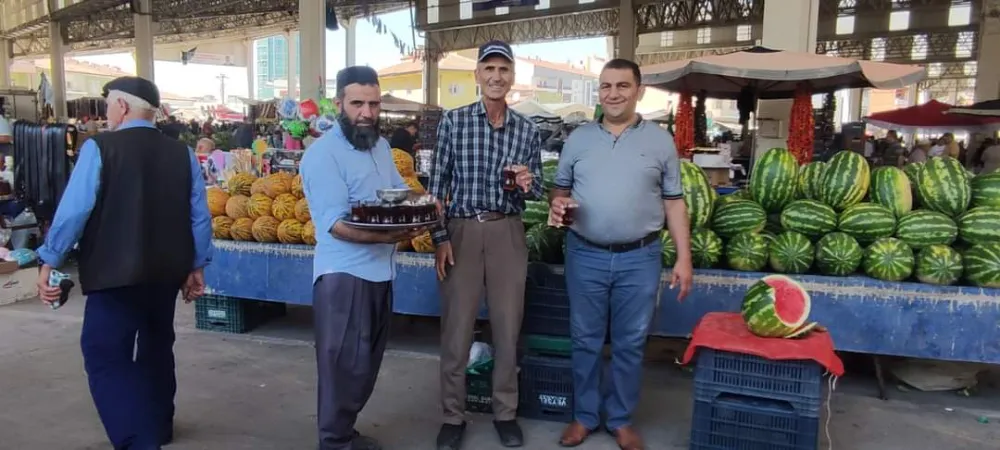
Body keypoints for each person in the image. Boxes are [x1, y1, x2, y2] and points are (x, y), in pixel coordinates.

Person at [35, 75, 212, 450]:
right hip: (166, 273)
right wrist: (197, 266)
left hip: (114, 275)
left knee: (105, 355)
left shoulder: (100, 148)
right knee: (156, 347)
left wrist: (49, 258)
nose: (106, 114)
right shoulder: (180, 153)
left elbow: (74, 211)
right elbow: (198, 214)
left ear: (123, 106)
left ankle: (137, 442)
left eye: (108, 106)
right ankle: (159, 426)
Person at [548, 59, 694, 450]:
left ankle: (621, 419)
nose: (613, 93)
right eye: (606, 86)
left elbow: (674, 203)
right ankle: (584, 416)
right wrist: (557, 205)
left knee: (630, 341)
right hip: (585, 253)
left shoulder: (660, 141)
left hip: (640, 257)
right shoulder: (578, 139)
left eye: (622, 86)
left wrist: (684, 257)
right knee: (585, 339)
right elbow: (559, 192)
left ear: (639, 90)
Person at [301, 66, 426, 450]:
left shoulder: (382, 147)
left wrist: (424, 208)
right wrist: (393, 234)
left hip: (381, 272)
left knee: (365, 366)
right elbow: (335, 226)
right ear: (339, 104)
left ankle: (344, 431)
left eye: (373, 104)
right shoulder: (323, 156)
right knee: (343, 366)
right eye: (357, 103)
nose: (367, 112)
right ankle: (334, 441)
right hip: (344, 275)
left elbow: (397, 193)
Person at [429, 40, 543, 450]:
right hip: (460, 228)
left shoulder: (528, 129)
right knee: (456, 329)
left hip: (507, 230)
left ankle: (505, 413)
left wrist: (530, 184)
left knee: (508, 327)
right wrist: (440, 238)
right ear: (477, 75)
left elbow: (539, 190)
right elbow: (437, 188)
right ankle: (452, 416)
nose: (497, 76)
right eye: (489, 68)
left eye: (504, 69)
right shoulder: (454, 122)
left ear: (513, 77)